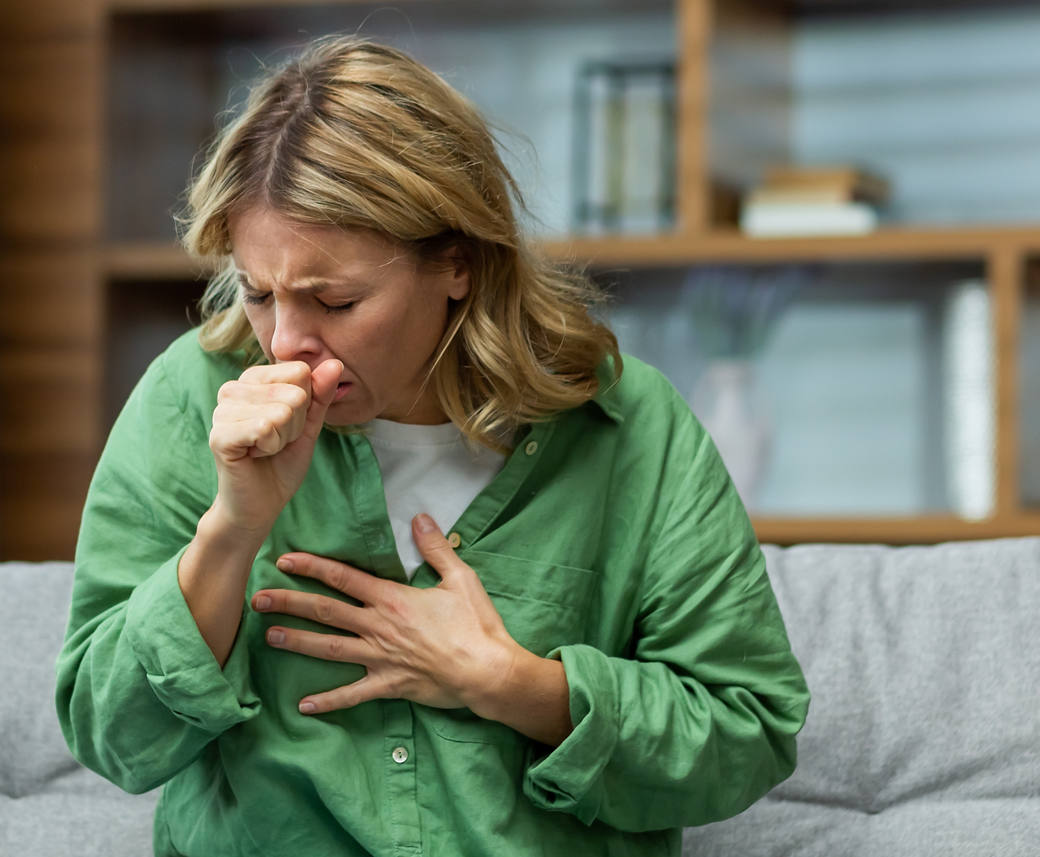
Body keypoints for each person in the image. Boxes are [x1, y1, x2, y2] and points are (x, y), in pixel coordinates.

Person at [55, 36, 809, 857]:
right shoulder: (188, 398)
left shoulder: (631, 430)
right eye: (261, 293)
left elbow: (748, 734)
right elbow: (109, 732)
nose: (286, 343)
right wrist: (232, 530)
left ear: (457, 263)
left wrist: (518, 686)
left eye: (336, 300)